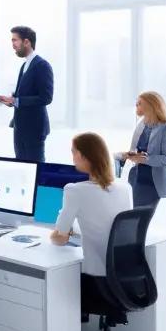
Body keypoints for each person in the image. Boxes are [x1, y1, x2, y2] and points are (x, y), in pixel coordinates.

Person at [51, 132, 132, 309]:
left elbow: (60, 239)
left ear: (83, 155)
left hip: (96, 280)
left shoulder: (75, 190)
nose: (72, 157)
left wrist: (55, 235)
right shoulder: (125, 188)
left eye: (73, 152)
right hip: (123, 278)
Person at [0, 26, 54, 162]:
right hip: (20, 128)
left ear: (26, 42)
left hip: (34, 130)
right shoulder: (25, 65)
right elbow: (24, 95)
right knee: (22, 169)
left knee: (36, 171)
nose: (13, 45)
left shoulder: (42, 65)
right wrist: (11, 100)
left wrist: (16, 101)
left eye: (15, 40)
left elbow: (46, 97)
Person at [115, 92, 166, 213]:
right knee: (129, 216)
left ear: (150, 105)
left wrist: (144, 159)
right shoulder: (141, 124)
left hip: (152, 183)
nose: (136, 106)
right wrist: (128, 155)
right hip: (134, 179)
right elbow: (136, 150)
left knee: (138, 220)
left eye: (139, 103)